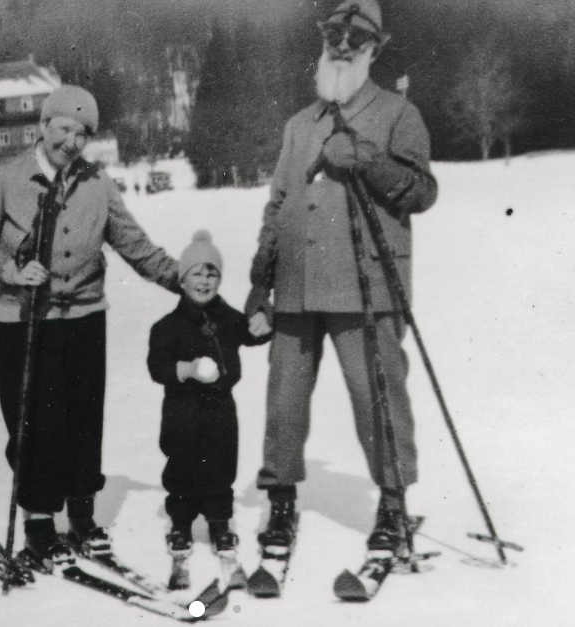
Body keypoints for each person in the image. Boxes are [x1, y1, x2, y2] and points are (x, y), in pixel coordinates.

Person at [245, 0, 440, 553]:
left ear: (376, 48)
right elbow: (279, 203)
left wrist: (366, 159)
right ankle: (281, 502)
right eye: (334, 35)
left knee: (375, 395)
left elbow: (422, 193)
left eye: (356, 38)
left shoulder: (399, 114)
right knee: (284, 400)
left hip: (366, 285)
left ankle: (393, 502)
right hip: (297, 287)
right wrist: (261, 282)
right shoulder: (298, 124)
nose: (343, 46)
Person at [0, 85, 181, 568]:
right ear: (42, 126)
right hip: (22, 321)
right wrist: (9, 272)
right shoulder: (5, 178)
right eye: (64, 129)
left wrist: (185, 280)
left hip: (83, 320)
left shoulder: (97, 184)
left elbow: (135, 246)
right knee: (34, 425)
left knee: (83, 419)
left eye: (82, 134)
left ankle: (82, 516)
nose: (72, 142)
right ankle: (39, 521)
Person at [147, 231, 270, 570]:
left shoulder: (227, 317)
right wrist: (184, 369)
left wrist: (263, 325)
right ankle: (181, 524)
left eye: (212, 273)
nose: (205, 281)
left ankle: (219, 522)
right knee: (181, 462)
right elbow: (156, 367)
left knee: (220, 462)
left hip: (220, 406)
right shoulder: (167, 327)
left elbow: (248, 332)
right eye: (197, 274)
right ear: (183, 280)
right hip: (181, 407)